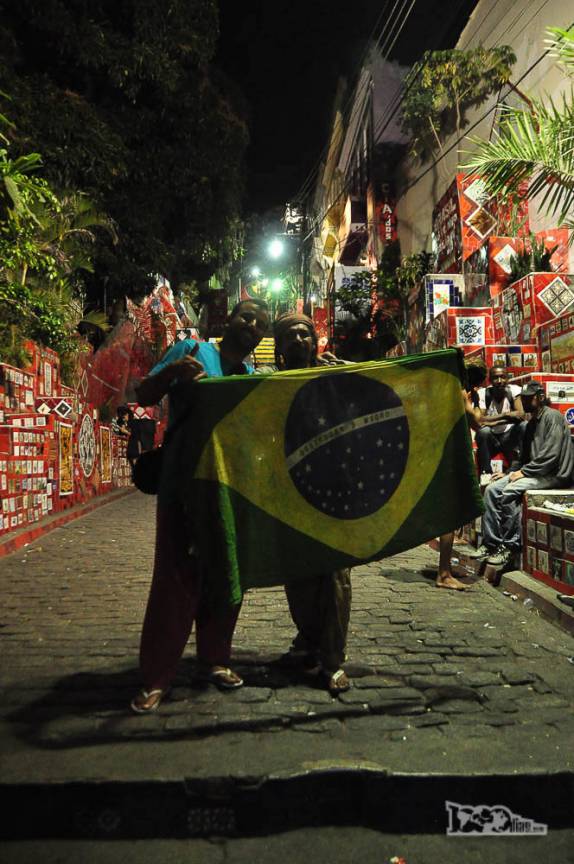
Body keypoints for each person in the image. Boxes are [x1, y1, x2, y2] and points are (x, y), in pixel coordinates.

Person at [130, 299, 270, 713]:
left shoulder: (250, 377)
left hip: (230, 484)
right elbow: (144, 393)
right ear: (229, 319)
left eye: (261, 323)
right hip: (184, 479)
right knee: (175, 573)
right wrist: (173, 371)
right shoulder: (191, 350)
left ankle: (215, 660)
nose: (252, 324)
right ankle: (156, 676)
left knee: (225, 570)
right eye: (246, 316)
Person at [261, 312, 352, 693]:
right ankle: (310, 639)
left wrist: (343, 373)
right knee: (298, 575)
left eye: (305, 334)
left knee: (335, 574)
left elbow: (372, 389)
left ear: (315, 342)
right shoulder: (268, 384)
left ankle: (332, 660)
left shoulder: (333, 376)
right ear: (280, 347)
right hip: (288, 492)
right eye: (290, 336)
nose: (298, 340)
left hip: (332, 489)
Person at [468, 382, 574, 568]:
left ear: (540, 398)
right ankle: (491, 544)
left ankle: (511, 546)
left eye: (528, 398)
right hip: (535, 472)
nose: (524, 401)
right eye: (523, 398)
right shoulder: (531, 423)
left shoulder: (553, 417)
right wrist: (509, 472)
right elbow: (522, 457)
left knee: (510, 490)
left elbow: (551, 456)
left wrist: (523, 472)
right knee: (492, 490)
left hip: (554, 475)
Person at [436, 360, 487, 590]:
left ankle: (445, 567)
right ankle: (444, 573)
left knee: (453, 513)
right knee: (450, 513)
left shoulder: (447, 389)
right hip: (450, 456)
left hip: (449, 454)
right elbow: (477, 421)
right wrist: (475, 403)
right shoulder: (460, 392)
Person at [475, 365, 526, 481]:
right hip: (492, 439)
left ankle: (520, 469)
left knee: (524, 425)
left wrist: (493, 421)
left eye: (502, 377)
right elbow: (480, 420)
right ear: (490, 380)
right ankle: (486, 474)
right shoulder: (483, 393)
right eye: (495, 378)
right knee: (484, 431)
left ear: (507, 378)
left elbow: (521, 415)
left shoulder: (514, 390)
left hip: (508, 436)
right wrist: (506, 415)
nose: (499, 381)